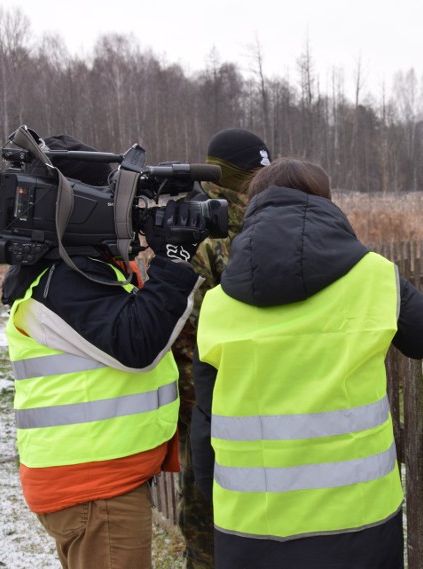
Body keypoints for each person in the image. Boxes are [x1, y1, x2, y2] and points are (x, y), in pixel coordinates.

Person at [190, 158, 423, 568]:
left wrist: (217, 507)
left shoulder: (217, 304)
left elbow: (206, 423)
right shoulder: (373, 278)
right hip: (357, 525)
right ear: (325, 205)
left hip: (249, 530)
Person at [2, 134, 205, 569]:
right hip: (94, 489)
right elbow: (137, 342)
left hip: (92, 479)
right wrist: (173, 260)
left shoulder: (66, 272)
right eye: (115, 198)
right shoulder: (67, 282)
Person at [171, 127, 271, 568]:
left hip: (205, 403)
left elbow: (177, 328)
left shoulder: (194, 229)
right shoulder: (255, 224)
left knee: (208, 516)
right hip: (250, 399)